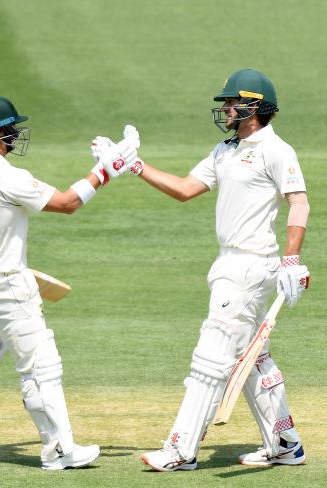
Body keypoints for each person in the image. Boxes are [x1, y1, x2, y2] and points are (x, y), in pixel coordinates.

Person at [109, 69, 311, 470]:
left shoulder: (275, 149)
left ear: (254, 106)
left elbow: (299, 203)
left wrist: (292, 260)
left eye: (231, 103)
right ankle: (285, 443)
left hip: (251, 266)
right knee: (253, 359)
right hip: (229, 263)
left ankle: (180, 450)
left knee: (210, 358)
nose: (226, 109)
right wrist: (134, 165)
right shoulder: (225, 150)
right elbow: (184, 189)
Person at [0, 96, 130, 469]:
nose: (15, 134)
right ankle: (59, 451)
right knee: (40, 367)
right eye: (11, 128)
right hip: (8, 285)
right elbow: (66, 203)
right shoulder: (8, 177)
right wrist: (105, 171)